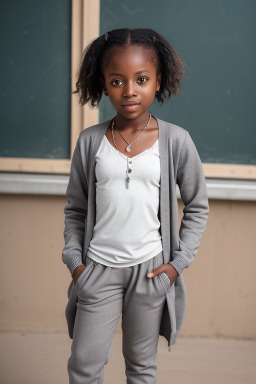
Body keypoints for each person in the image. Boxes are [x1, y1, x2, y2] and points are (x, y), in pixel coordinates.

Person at [62, 28, 209, 384]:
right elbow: (76, 210)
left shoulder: (176, 141)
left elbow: (198, 205)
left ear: (158, 81)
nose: (129, 91)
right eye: (117, 81)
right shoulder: (90, 141)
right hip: (98, 270)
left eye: (141, 79)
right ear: (102, 84)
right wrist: (77, 264)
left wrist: (176, 265)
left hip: (151, 272)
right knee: (84, 365)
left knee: (141, 367)